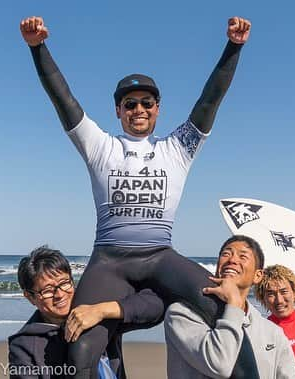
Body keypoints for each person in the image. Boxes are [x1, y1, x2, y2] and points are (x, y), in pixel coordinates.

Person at [20, 15, 254, 379]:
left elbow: (210, 100)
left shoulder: (178, 149)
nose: (139, 110)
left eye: (147, 102)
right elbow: (63, 100)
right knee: (79, 345)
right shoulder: (100, 147)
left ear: (158, 108)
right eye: (130, 104)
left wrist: (234, 47)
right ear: (118, 111)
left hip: (160, 256)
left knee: (224, 309)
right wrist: (38, 48)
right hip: (109, 260)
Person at [8, 246, 165, 379]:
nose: (60, 294)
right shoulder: (23, 346)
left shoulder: (95, 313)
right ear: (30, 297)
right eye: (48, 290)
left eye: (64, 283)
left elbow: (156, 307)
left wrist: (104, 311)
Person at [164, 235, 295, 379]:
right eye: (226, 254)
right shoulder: (182, 313)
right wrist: (234, 304)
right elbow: (219, 364)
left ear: (258, 276)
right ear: (217, 267)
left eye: (243, 256)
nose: (232, 260)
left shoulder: (272, 332)